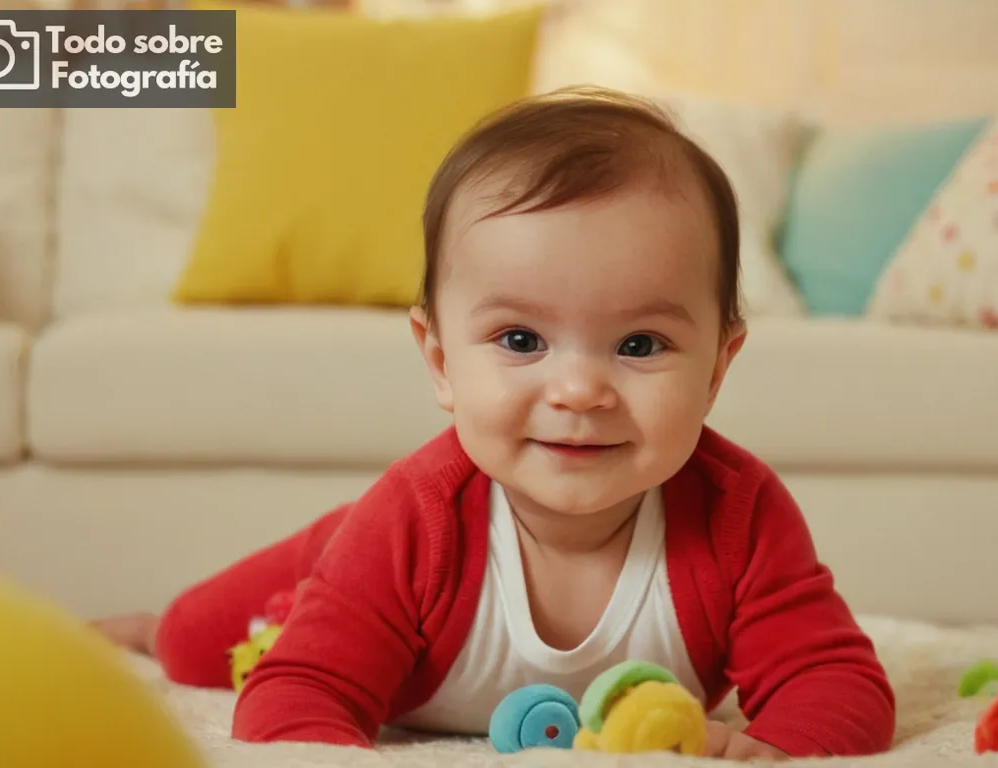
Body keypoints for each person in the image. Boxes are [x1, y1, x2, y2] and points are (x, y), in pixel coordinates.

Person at [94, 85, 895, 760]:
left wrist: (782, 748)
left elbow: (838, 682)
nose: (580, 389)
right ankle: (146, 625)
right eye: (521, 340)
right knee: (196, 640)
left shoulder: (738, 517)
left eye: (640, 344)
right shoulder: (411, 523)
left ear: (717, 368)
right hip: (355, 565)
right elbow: (298, 696)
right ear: (440, 361)